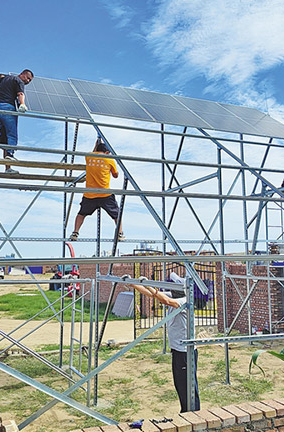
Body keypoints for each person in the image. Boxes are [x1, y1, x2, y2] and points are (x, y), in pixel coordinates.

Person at [123, 272, 200, 412]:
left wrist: (148, 284)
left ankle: (194, 412)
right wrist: (133, 284)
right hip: (177, 350)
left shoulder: (184, 301)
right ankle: (186, 410)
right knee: (180, 384)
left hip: (186, 352)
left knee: (188, 385)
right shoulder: (176, 296)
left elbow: (166, 301)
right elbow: (151, 294)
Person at [69, 139, 124, 241]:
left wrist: (96, 145)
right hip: (105, 194)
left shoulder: (89, 156)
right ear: (107, 152)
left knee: (81, 214)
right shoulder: (109, 160)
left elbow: (93, 153)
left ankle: (75, 233)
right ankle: (120, 234)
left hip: (89, 194)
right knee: (117, 215)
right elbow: (116, 175)